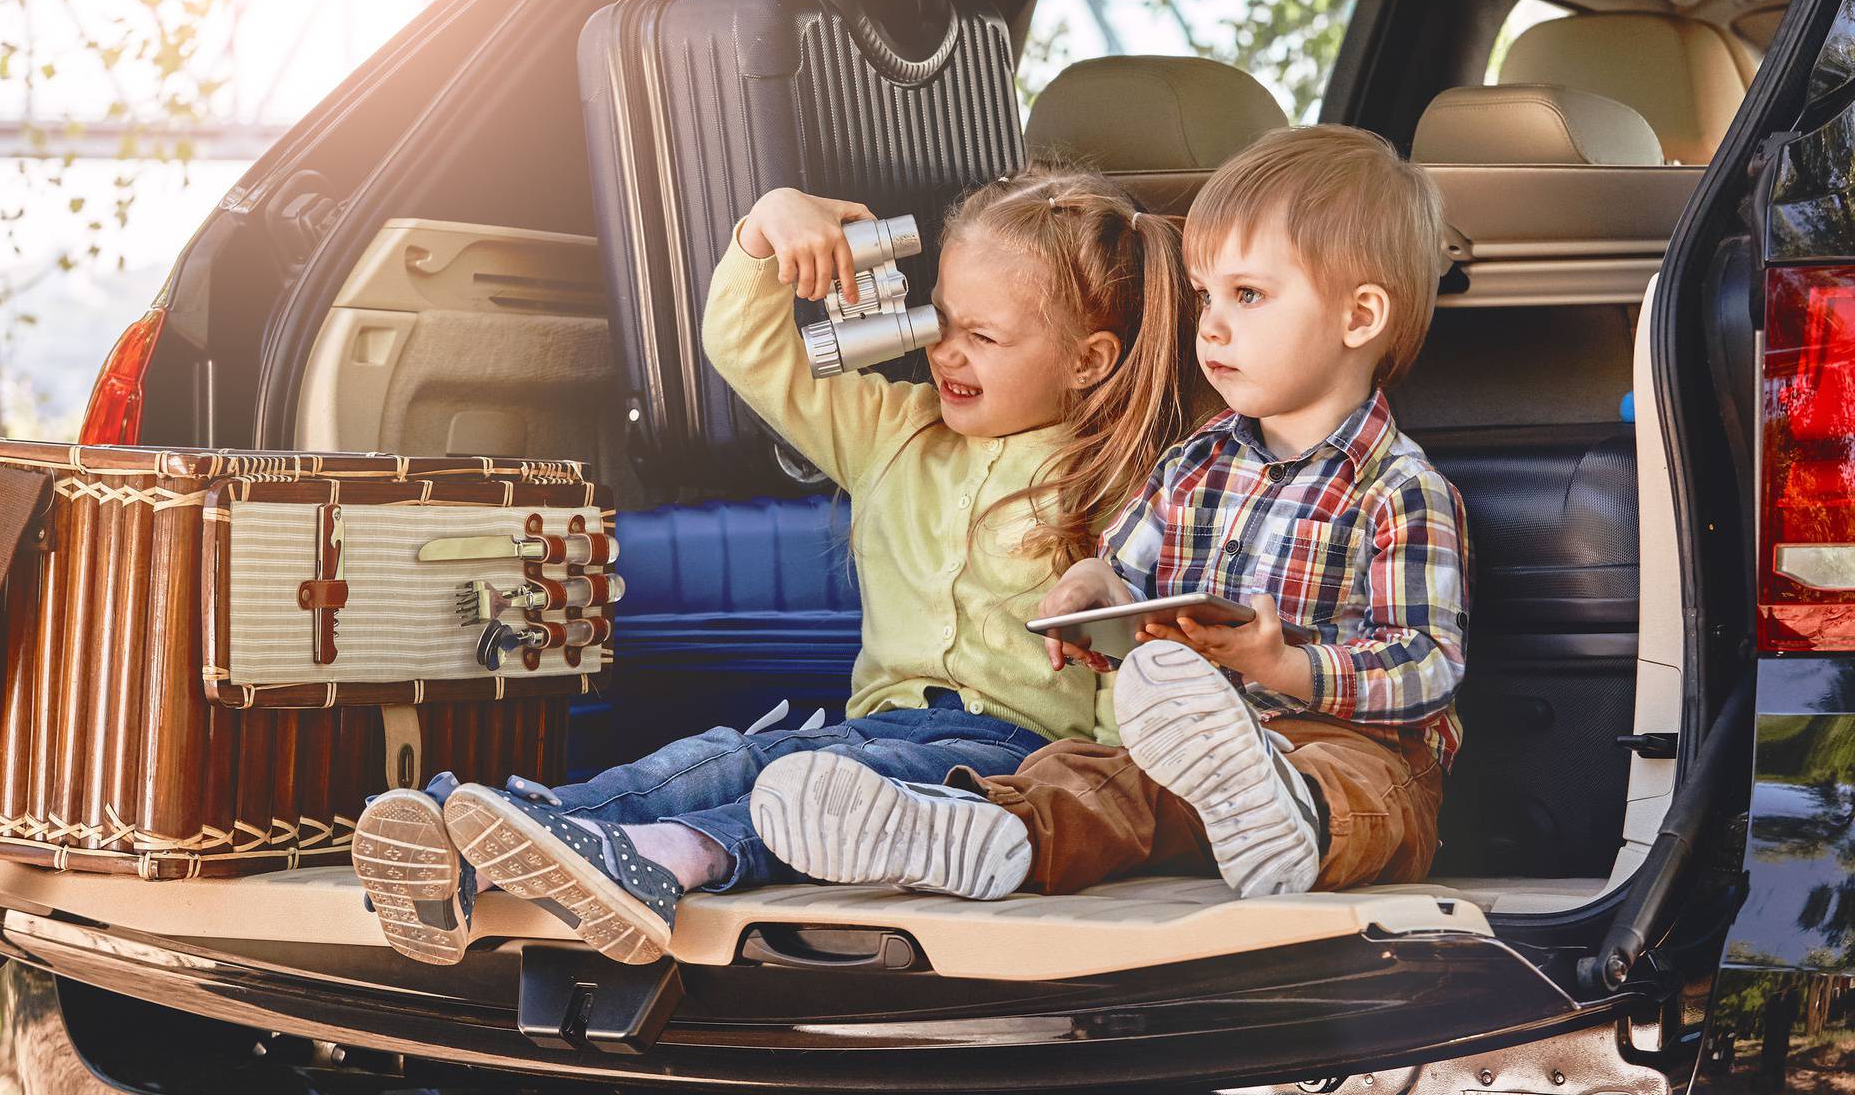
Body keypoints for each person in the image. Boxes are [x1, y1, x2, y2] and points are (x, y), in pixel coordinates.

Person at [352, 160, 1195, 964]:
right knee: (730, 755)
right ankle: (482, 837)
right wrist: (768, 224)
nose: (945, 352)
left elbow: (1141, 657)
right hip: (877, 718)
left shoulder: (1125, 480)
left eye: (983, 336)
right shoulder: (894, 432)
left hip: (1013, 761)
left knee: (826, 786)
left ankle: (668, 859)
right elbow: (749, 350)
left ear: (1089, 361)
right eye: (941, 319)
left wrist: (1122, 799)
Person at [754, 125, 1469, 903]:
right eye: (1206, 297)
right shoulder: (1193, 463)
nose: (1214, 325)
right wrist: (1091, 593)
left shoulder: (1399, 489)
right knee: (1084, 779)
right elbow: (1119, 567)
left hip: (1346, 742)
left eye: (1249, 295)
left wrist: (1285, 667)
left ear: (1359, 317)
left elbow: (1426, 664)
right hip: (1195, 750)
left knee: (1365, 792)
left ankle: (1290, 822)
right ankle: (984, 833)